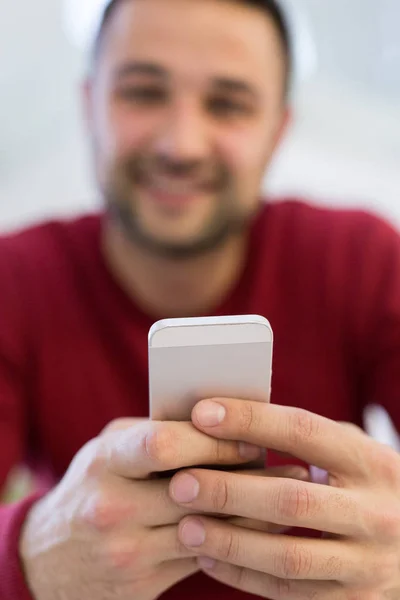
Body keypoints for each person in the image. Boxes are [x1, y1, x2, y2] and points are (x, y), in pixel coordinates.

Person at [1, 0, 400, 598]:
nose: (182, 145)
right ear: (89, 106)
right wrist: (29, 554)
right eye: (142, 92)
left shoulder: (364, 260)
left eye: (229, 104)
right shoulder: (14, 280)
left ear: (278, 130)